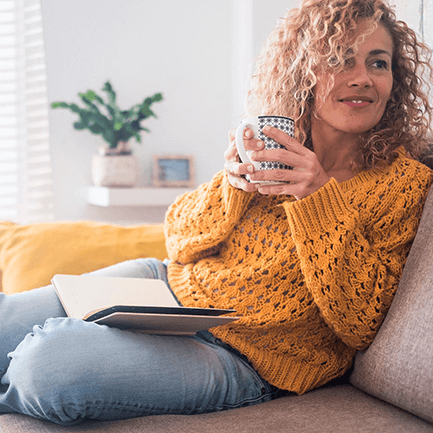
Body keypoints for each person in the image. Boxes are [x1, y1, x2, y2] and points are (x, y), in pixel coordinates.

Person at [1, 0, 433, 426]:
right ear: (306, 71)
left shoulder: (405, 185)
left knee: (50, 365)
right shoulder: (275, 145)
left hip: (245, 357)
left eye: (379, 63)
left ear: (396, 78)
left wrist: (317, 197)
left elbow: (361, 322)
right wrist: (231, 183)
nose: (362, 78)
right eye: (340, 59)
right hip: (164, 288)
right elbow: (180, 239)